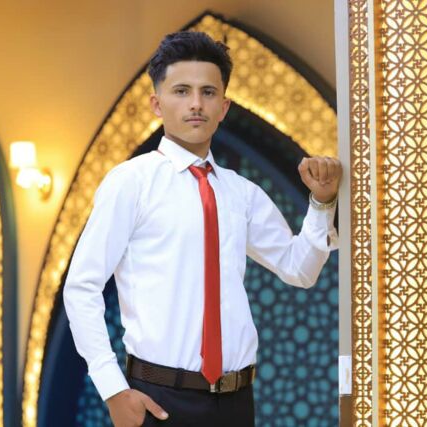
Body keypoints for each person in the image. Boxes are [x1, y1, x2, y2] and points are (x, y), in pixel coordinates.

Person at [63, 30, 341, 427]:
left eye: (208, 92)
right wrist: (113, 390)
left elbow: (300, 269)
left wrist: (321, 203)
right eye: (181, 91)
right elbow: (81, 287)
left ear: (224, 106)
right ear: (156, 104)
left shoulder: (242, 193)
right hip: (158, 401)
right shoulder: (131, 182)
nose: (196, 103)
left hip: (236, 402)